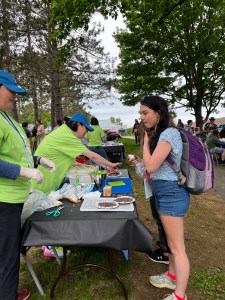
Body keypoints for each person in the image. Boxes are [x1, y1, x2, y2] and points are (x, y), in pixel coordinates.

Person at [0, 70, 55, 300]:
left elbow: (16, 154)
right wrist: (25, 171)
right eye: (11, 91)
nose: (14, 96)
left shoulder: (8, 118)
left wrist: (38, 160)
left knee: (9, 250)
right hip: (4, 199)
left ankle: (8, 290)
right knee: (6, 254)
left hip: (15, 197)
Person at [130, 95, 190, 300]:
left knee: (177, 247)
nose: (142, 117)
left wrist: (146, 141)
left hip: (171, 193)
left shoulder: (170, 133)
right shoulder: (162, 134)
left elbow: (152, 166)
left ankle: (180, 295)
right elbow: (153, 168)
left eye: (145, 113)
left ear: (159, 113)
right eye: (140, 113)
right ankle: (172, 276)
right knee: (170, 242)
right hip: (164, 191)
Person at [32, 113, 122, 194]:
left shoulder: (64, 131)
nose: (86, 132)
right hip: (41, 184)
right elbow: (93, 156)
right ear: (78, 124)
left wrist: (106, 166)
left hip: (46, 180)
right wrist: (111, 164)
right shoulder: (67, 136)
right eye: (86, 129)